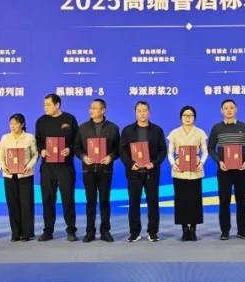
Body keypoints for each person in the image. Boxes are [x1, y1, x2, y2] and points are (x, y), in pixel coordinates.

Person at [119, 101, 167, 242]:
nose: (142, 113)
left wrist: (154, 163)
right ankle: (134, 232)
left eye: (145, 110)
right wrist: (130, 164)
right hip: (134, 173)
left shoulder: (157, 130)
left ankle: (153, 232)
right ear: (135, 113)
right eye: (139, 111)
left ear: (149, 112)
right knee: (134, 203)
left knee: (153, 203)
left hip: (151, 172)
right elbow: (122, 150)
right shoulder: (127, 130)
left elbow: (163, 150)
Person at [35, 94, 80, 241]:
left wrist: (70, 149)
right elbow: (38, 141)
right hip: (47, 167)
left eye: (48, 104)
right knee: (48, 199)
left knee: (68, 199)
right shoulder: (41, 121)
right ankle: (48, 231)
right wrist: (41, 150)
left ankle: (71, 230)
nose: (45, 107)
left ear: (57, 105)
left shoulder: (70, 119)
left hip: (65, 166)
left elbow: (77, 140)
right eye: (44, 104)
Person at [207, 99, 245, 241]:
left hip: (241, 170)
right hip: (224, 171)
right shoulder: (217, 128)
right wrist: (219, 161)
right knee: (224, 201)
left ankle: (242, 231)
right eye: (226, 108)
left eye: (231, 107)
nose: (229, 110)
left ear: (236, 109)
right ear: (221, 110)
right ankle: (225, 231)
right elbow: (211, 148)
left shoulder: (244, 127)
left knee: (241, 201)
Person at [74, 99, 120, 243]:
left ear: (103, 110)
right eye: (91, 108)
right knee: (90, 202)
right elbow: (76, 147)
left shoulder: (113, 128)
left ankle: (105, 231)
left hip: (105, 170)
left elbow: (119, 149)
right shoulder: (82, 128)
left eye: (95, 108)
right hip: (88, 171)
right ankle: (90, 231)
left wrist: (111, 157)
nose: (91, 110)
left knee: (104, 201)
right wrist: (83, 157)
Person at [168, 105, 208, 241]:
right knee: (182, 201)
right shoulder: (174, 133)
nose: (188, 118)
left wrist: (201, 162)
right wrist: (173, 164)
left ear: (194, 118)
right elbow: (170, 152)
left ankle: (194, 229)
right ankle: (185, 230)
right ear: (181, 117)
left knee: (195, 201)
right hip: (179, 170)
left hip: (195, 169)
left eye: (190, 115)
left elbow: (205, 151)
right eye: (185, 115)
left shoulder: (200, 132)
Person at [0, 113, 38, 241]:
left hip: (25, 174)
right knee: (12, 204)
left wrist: (29, 166)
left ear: (22, 124)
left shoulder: (29, 137)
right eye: (11, 124)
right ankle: (15, 233)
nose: (12, 126)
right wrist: (3, 167)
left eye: (15, 124)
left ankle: (27, 233)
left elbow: (35, 155)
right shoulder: (5, 138)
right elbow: (0, 155)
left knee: (26, 204)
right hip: (9, 175)